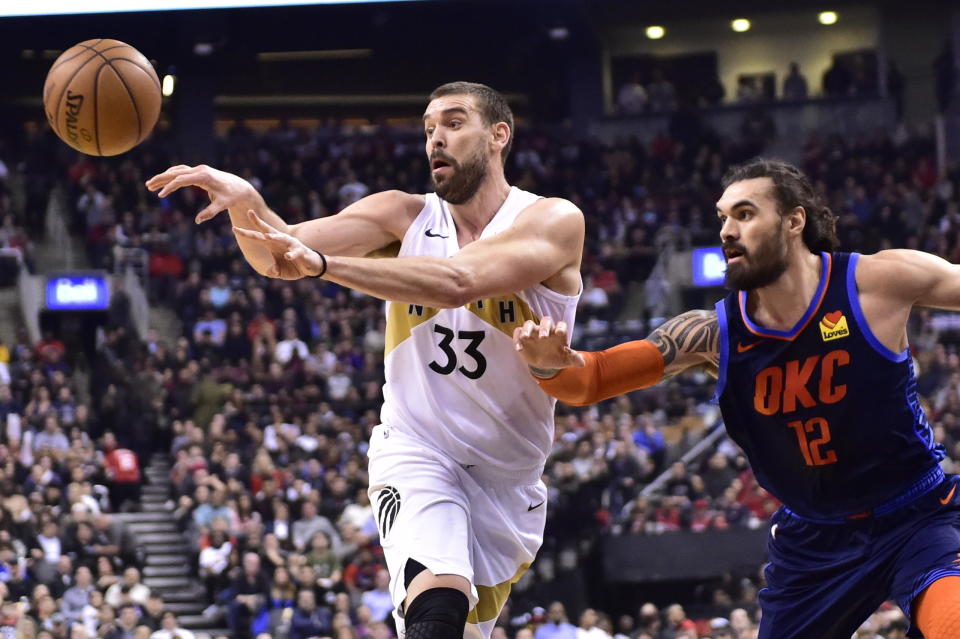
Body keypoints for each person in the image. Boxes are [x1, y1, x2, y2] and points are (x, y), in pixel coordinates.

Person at [147, 81, 584, 639]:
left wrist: (325, 265)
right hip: (417, 447)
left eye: (453, 123)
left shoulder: (552, 220)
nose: (436, 139)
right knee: (437, 604)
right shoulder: (401, 216)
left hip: (509, 476)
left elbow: (457, 281)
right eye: (428, 128)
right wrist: (246, 204)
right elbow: (282, 255)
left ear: (499, 135)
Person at [514, 158, 960, 638]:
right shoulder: (711, 334)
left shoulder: (877, 283)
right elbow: (590, 380)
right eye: (722, 218)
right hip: (813, 541)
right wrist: (547, 363)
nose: (727, 230)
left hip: (916, 514)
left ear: (794, 221)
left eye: (744, 214)